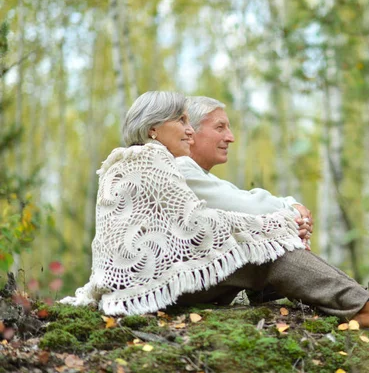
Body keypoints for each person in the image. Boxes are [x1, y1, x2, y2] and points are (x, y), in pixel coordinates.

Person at [175, 96, 369, 331]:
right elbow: (248, 206)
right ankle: (360, 305)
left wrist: (285, 218)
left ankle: (363, 301)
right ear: (191, 133)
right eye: (220, 127)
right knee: (269, 251)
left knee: (266, 242)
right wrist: (291, 211)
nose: (230, 137)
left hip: (192, 278)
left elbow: (240, 209)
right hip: (181, 285)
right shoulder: (179, 168)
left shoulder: (197, 175)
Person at [60, 91, 307, 316]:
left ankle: (333, 298)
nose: (190, 131)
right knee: (271, 253)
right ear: (153, 129)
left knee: (261, 247)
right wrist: (282, 222)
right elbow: (196, 223)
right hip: (145, 291)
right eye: (182, 121)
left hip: (130, 288)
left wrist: (272, 226)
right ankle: (345, 300)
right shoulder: (155, 160)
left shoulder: (128, 162)